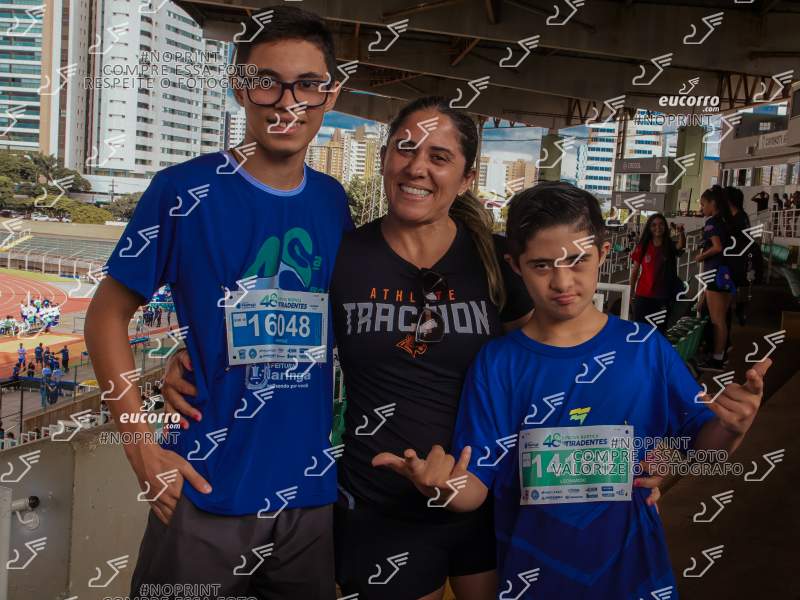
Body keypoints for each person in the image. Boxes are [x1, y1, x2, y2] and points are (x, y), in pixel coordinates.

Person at [161, 98, 666, 600]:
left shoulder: (496, 260)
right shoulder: (344, 255)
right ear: (384, 159)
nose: (417, 167)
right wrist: (190, 357)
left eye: (439, 157)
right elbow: (282, 329)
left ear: (466, 178)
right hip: (380, 506)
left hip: (485, 497)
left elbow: (550, 356)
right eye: (405, 149)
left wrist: (634, 459)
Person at [374, 181, 771, 600]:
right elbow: (476, 485)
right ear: (515, 265)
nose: (562, 281)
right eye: (542, 265)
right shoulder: (498, 363)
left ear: (603, 252)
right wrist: (442, 486)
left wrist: (733, 426)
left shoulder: (645, 349)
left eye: (578, 260)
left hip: (636, 580)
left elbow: (703, 452)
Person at [84, 6, 350, 599]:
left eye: (307, 84)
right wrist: (140, 447)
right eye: (267, 82)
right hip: (203, 488)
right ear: (238, 87)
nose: (287, 103)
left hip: (310, 494)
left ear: (330, 94)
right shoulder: (182, 190)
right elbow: (105, 316)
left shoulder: (334, 202)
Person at [695, 186, 735, 371]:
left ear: (713, 203)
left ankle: (717, 360)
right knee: (722, 319)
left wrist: (700, 257)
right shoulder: (727, 220)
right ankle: (721, 355)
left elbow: (717, 247)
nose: (702, 208)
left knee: (717, 320)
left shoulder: (712, 222)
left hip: (716, 274)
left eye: (703, 204)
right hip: (728, 274)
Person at [629, 214, 685, 329]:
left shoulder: (669, 245)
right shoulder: (643, 246)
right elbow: (635, 272)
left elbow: (680, 245)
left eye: (661, 224)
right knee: (641, 329)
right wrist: (630, 293)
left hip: (662, 296)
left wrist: (681, 233)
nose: (658, 227)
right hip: (643, 296)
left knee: (659, 330)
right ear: (649, 228)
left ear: (665, 227)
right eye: (654, 225)